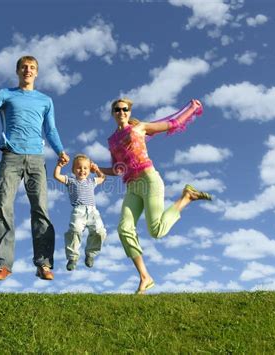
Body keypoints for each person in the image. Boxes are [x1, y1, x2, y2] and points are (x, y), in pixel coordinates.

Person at [0, 55, 69, 282]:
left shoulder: (45, 100)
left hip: (36, 160)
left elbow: (50, 130)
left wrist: (60, 151)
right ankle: (3, 265)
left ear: (36, 73)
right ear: (18, 71)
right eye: (24, 67)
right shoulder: (6, 94)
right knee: (3, 207)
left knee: (40, 210)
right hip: (10, 157)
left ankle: (44, 264)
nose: (28, 71)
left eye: (32, 68)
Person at [98, 98, 212, 294]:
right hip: (132, 185)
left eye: (125, 109)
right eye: (117, 110)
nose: (121, 112)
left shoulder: (140, 128)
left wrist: (191, 109)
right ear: (113, 113)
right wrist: (96, 168)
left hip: (149, 179)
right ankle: (145, 277)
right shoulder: (112, 141)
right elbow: (118, 169)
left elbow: (172, 124)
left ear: (129, 111)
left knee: (156, 231)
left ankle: (186, 197)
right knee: (124, 229)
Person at [53, 154, 107, 271]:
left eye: (85, 168)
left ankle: (90, 254)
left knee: (100, 232)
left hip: (93, 211)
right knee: (75, 230)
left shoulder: (91, 181)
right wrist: (59, 165)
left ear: (89, 170)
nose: (82, 170)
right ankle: (72, 258)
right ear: (73, 170)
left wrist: (97, 169)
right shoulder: (71, 181)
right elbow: (57, 176)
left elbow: (103, 178)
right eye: (79, 167)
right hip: (79, 211)